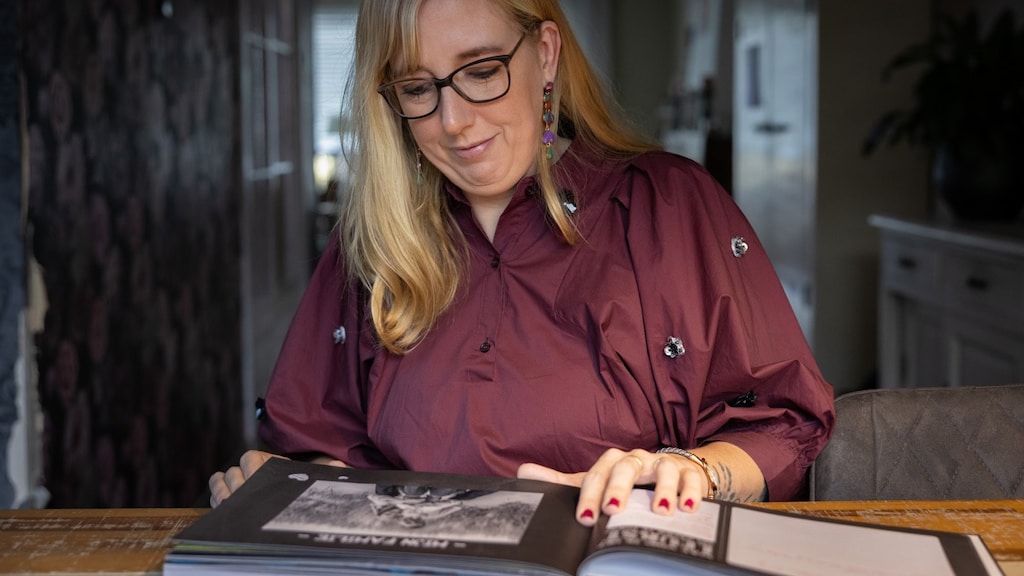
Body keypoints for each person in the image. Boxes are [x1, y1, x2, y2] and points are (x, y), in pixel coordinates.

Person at [210, 0, 835, 526]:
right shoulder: (369, 244)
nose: (454, 123)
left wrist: (693, 470)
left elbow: (784, 423)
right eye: (418, 88)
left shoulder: (669, 206)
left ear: (546, 54)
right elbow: (319, 447)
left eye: (483, 71)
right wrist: (290, 487)